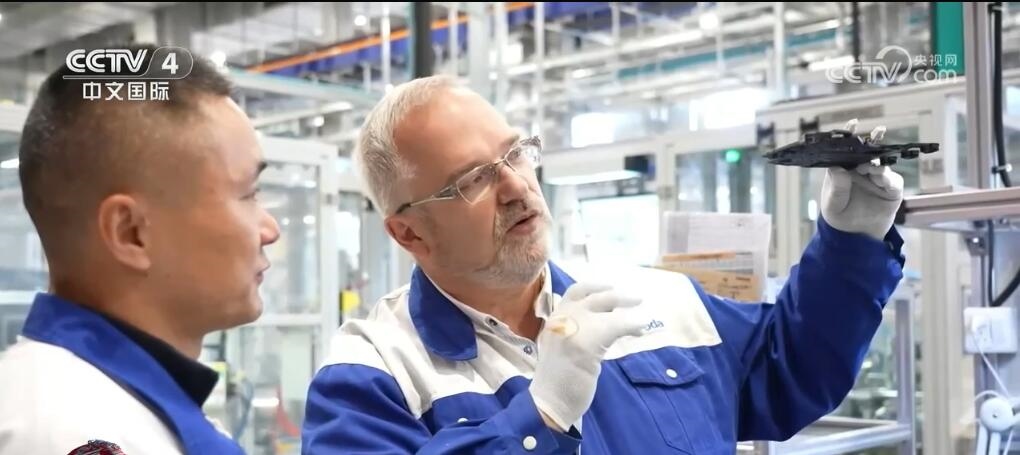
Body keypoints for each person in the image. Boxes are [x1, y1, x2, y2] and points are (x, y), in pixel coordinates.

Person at [301, 75, 906, 454]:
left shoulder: (656, 302)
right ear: (408, 232)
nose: (516, 186)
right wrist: (540, 415)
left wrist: (849, 243)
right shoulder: (373, 375)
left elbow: (789, 370)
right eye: (473, 180)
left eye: (515, 154)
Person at [0, 44, 279, 455]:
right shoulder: (82, 432)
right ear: (131, 233)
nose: (270, 229)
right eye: (248, 194)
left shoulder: (122, 407)